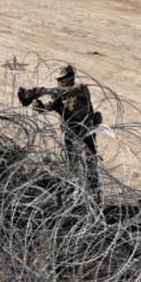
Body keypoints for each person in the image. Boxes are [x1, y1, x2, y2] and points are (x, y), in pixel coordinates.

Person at [31, 64, 100, 194]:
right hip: (70, 134)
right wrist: (35, 100)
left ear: (71, 78)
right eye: (58, 80)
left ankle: (94, 195)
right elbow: (44, 108)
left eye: (62, 80)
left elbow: (67, 91)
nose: (59, 83)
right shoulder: (59, 95)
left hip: (86, 133)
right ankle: (75, 194)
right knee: (72, 165)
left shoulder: (81, 89)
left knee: (90, 164)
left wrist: (44, 91)